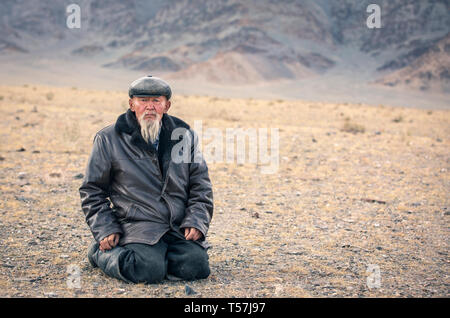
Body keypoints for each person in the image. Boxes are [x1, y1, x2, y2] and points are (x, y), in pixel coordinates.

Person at [79, 75, 213, 284]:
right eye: (143, 100)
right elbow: (92, 190)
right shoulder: (108, 139)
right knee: (146, 269)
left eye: (156, 101)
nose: (149, 107)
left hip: (176, 227)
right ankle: (99, 253)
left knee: (197, 266)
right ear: (131, 104)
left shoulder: (185, 136)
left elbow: (201, 186)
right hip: (135, 225)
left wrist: (196, 221)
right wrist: (105, 228)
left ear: (166, 106)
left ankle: (160, 258)